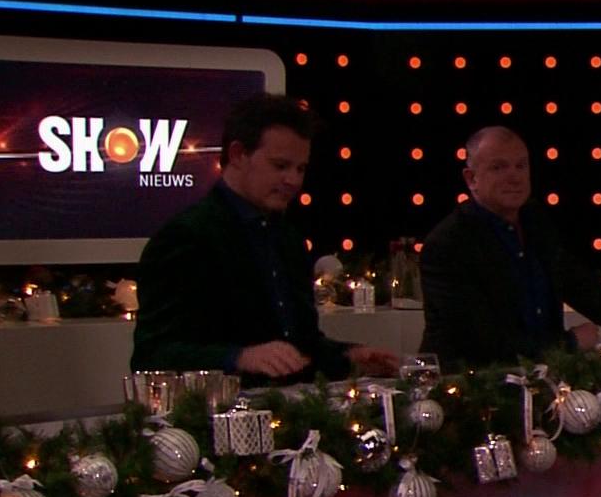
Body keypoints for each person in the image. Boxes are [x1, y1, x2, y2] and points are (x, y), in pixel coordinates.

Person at [132, 94, 400, 383]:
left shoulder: (287, 238)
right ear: (238, 154)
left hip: (289, 406)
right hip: (220, 407)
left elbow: (299, 347)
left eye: (300, 169)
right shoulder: (186, 237)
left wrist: (349, 356)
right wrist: (239, 358)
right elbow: (152, 355)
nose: (294, 181)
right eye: (280, 166)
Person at [417, 126, 601, 370]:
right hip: (469, 387)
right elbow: (479, 343)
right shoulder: (448, 244)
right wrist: (570, 343)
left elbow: (586, 290)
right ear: (471, 179)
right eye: (498, 167)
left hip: (544, 382)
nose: (514, 176)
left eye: (521, 166)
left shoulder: (535, 221)